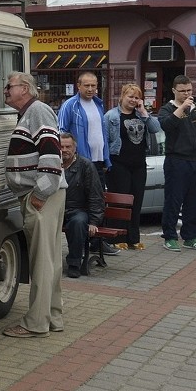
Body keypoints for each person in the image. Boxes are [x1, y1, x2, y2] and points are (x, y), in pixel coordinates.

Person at [2, 72, 67, 337]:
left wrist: (40, 194)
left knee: (41, 261)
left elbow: (52, 153)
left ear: (25, 89)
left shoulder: (37, 112)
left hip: (41, 196)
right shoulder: (30, 113)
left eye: (9, 86)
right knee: (50, 260)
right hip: (45, 195)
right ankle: (53, 318)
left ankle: (36, 323)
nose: (5, 90)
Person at [57, 70, 118, 256]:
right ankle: (85, 242)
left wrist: (106, 158)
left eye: (94, 85)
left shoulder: (98, 104)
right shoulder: (70, 105)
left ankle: (97, 241)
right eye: (87, 85)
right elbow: (61, 133)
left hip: (98, 162)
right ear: (78, 86)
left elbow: (102, 136)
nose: (91, 89)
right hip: (80, 164)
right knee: (81, 203)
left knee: (98, 199)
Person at [157, 75, 196, 252]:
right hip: (176, 161)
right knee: (173, 200)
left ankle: (191, 237)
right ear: (174, 91)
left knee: (195, 201)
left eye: (189, 91)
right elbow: (167, 126)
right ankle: (169, 237)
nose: (186, 94)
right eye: (183, 91)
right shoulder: (166, 109)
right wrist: (182, 108)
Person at [105, 84, 161, 250]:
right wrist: (106, 163)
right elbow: (105, 141)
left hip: (138, 165)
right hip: (118, 164)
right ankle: (117, 238)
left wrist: (144, 113)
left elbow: (156, 129)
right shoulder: (111, 116)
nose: (133, 100)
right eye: (130, 96)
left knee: (136, 201)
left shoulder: (141, 115)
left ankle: (133, 238)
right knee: (121, 201)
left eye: (136, 97)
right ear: (122, 97)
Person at [60, 133, 104, 278]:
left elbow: (95, 195)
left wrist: (94, 221)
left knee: (78, 223)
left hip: (78, 210)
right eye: (61, 146)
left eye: (68, 146)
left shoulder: (86, 165)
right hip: (57, 209)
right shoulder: (53, 164)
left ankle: (74, 264)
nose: (64, 150)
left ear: (75, 148)